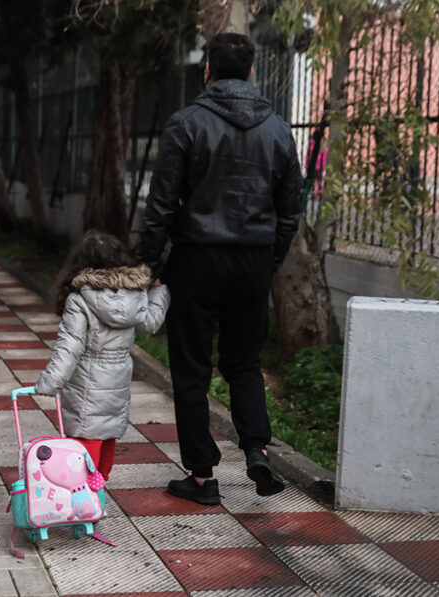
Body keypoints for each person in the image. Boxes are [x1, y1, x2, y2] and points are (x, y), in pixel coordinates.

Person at [135, 33, 303, 505]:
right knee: (244, 361)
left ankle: (204, 478)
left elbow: (162, 204)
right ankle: (257, 450)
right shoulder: (279, 130)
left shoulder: (186, 123)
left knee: (191, 369)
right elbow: (291, 209)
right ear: (252, 72)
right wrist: (269, 258)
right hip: (252, 260)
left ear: (207, 68)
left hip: (197, 258)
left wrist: (147, 262)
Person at [35, 230, 169, 481]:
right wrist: (159, 293)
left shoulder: (80, 298)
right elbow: (150, 323)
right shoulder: (135, 294)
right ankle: (98, 486)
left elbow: (70, 346)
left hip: (88, 380)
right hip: (118, 378)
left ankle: (84, 495)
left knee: (85, 440)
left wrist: (50, 382)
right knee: (107, 435)